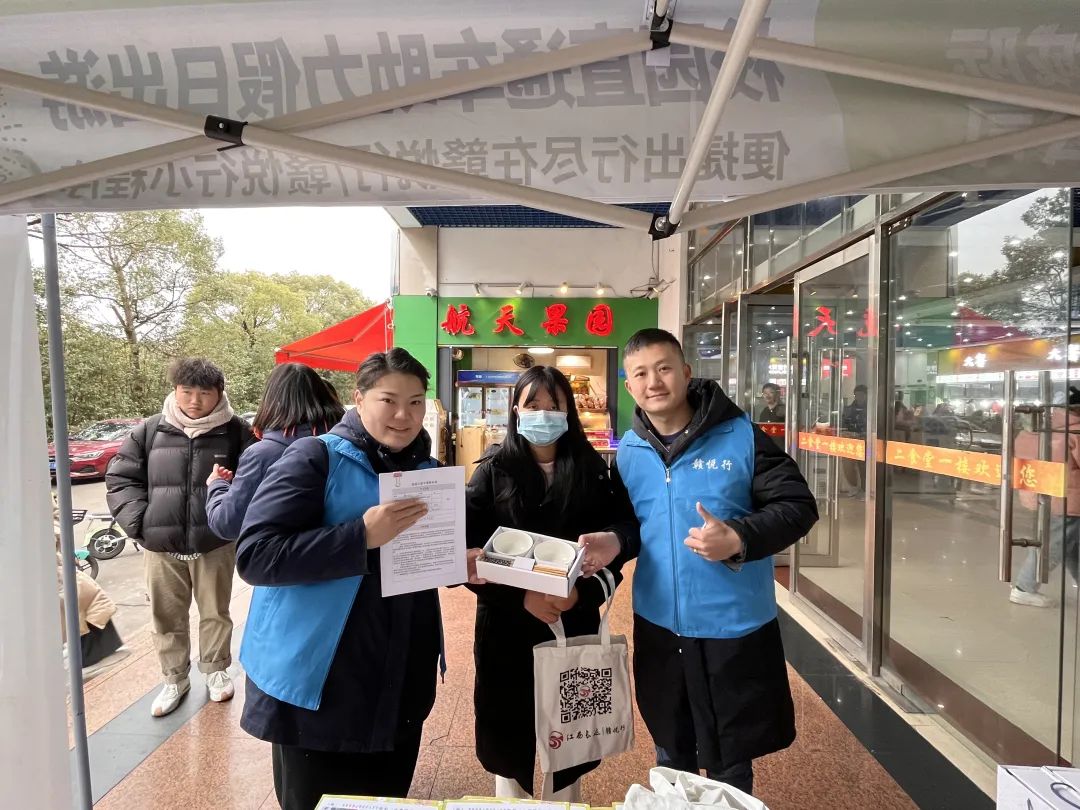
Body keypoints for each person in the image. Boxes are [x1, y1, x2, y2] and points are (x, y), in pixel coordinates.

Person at [235, 349, 481, 810]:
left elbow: (415, 559)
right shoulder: (314, 457)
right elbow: (256, 554)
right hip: (323, 684)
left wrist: (454, 563)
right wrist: (360, 536)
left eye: (415, 402)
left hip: (400, 676)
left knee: (387, 798)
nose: (404, 415)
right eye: (389, 400)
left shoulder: (425, 470)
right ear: (360, 398)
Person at [580, 328, 818, 797]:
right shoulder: (629, 451)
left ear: (686, 373)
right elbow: (632, 523)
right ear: (628, 385)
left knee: (732, 759)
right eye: (640, 374)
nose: (654, 382)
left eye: (664, 368)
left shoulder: (741, 436)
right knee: (671, 751)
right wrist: (615, 541)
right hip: (660, 624)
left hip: (732, 626)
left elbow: (797, 505)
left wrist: (739, 537)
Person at [464, 365, 637, 801]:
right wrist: (520, 597)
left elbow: (620, 538)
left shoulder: (593, 471)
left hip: (572, 624)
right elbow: (469, 553)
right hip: (506, 630)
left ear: (568, 411)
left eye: (554, 405)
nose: (543, 414)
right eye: (533, 404)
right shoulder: (492, 471)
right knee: (510, 744)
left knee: (570, 742)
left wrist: (580, 593)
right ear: (516, 411)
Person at [106, 358, 254, 717]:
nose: (194, 401)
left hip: (214, 541)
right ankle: (174, 678)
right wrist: (141, 524)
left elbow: (254, 481)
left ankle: (216, 670)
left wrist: (232, 520)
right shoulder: (150, 430)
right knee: (166, 615)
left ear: (219, 394)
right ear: (175, 391)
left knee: (215, 611)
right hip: (161, 545)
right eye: (187, 392)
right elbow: (122, 478)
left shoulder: (236, 431)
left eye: (204, 393)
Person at [205, 363, 344, 541]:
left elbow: (228, 525)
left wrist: (217, 484)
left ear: (272, 400)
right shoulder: (348, 443)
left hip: (285, 555)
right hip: (346, 549)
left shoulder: (262, 455)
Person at [1011, 386, 1080, 608]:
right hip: (1070, 500)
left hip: (1051, 495)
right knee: (1054, 545)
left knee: (1070, 546)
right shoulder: (1076, 431)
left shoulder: (1044, 427)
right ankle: (1024, 588)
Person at [54, 495, 129, 679]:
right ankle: (89, 653)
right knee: (80, 600)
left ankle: (93, 653)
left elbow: (55, 516)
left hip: (56, 564)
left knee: (85, 599)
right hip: (50, 567)